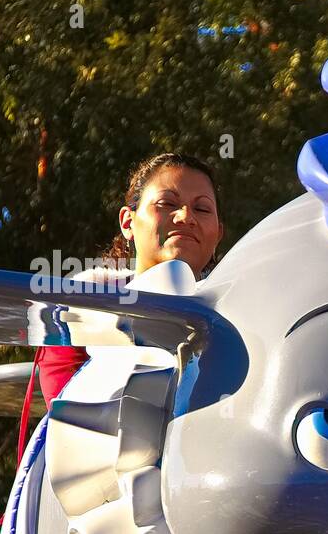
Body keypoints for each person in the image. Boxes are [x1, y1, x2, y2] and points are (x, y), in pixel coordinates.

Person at [33, 153, 225, 407]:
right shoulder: (76, 307)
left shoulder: (238, 308)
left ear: (219, 234)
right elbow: (68, 418)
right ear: (127, 222)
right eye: (167, 203)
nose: (186, 217)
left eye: (201, 209)